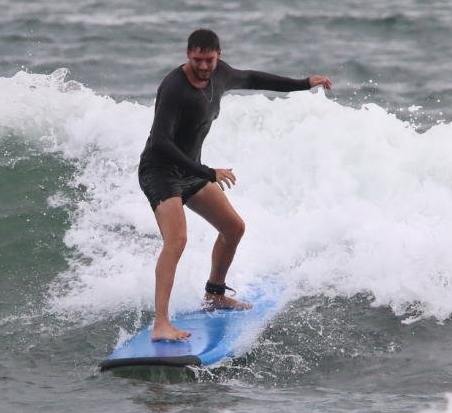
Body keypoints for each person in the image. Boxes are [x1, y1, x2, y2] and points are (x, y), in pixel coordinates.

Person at [138, 29, 332, 341]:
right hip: (160, 172)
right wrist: (206, 171)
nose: (203, 66)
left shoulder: (221, 75)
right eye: (197, 60)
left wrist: (303, 83)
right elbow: (160, 142)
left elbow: (254, 78)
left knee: (234, 228)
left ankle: (215, 293)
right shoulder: (174, 88)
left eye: (210, 59)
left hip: (191, 172)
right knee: (176, 241)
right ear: (187, 55)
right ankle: (161, 324)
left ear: (219, 55)